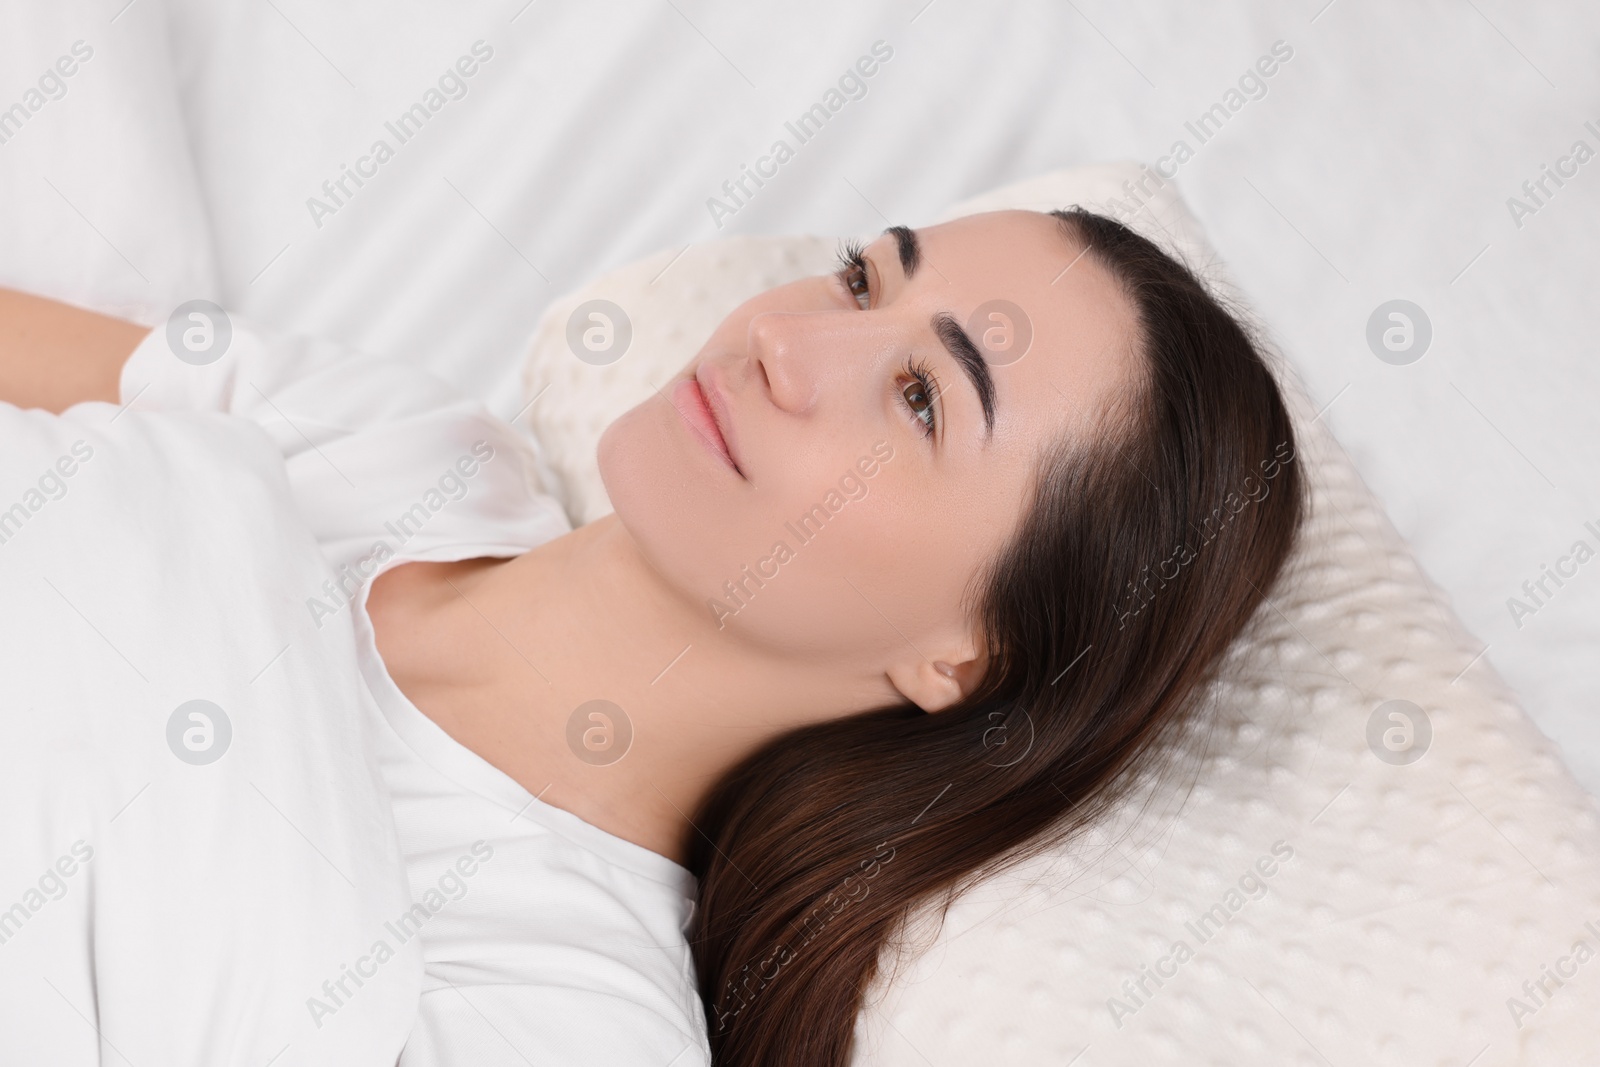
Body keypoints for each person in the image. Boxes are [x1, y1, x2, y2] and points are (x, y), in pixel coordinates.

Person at [0, 207, 1303, 1066]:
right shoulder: (414, 446)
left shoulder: (567, 1006)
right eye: (862, 278)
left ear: (963, 661)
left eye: (916, 397)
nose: (787, 342)